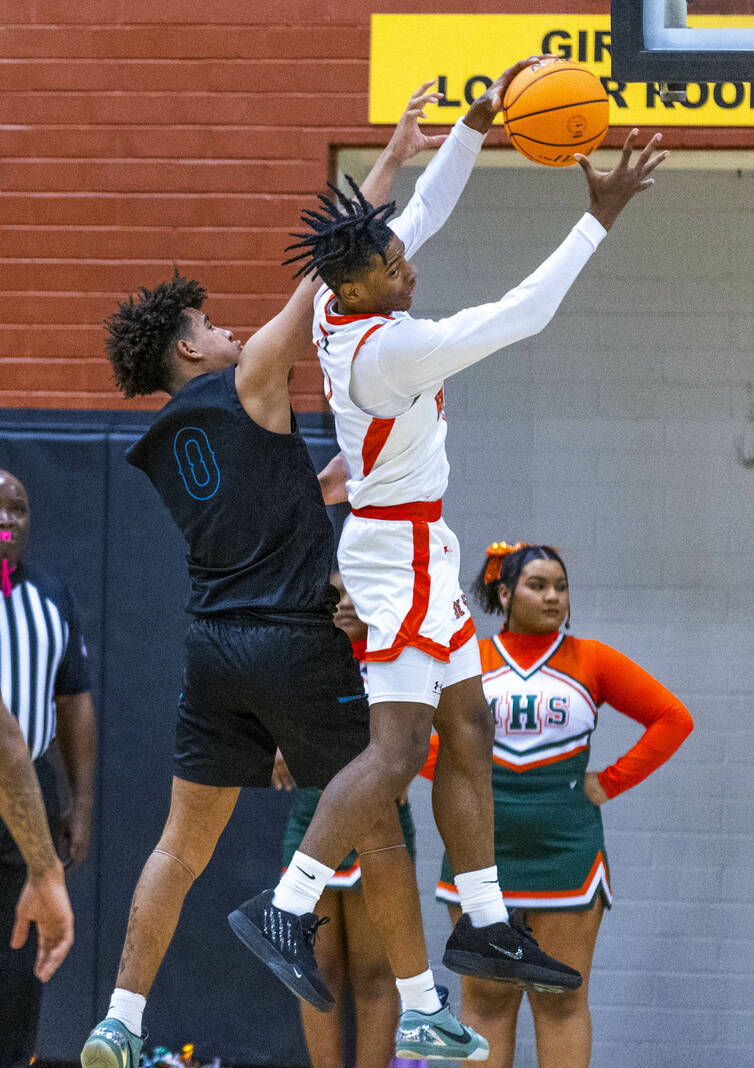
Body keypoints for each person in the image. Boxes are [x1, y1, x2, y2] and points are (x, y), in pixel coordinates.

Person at [80, 85, 496, 1068]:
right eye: (206, 326)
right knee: (382, 814)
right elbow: (328, 274)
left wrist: (344, 489)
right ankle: (421, 1010)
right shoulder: (253, 377)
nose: (224, 330)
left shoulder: (166, 444)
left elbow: (281, 499)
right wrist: (394, 164)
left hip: (210, 648)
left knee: (180, 848)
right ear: (187, 351)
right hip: (292, 640)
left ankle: (121, 1023)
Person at [234, 93, 669, 1012]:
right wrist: (597, 219)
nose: (410, 272)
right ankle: (286, 904)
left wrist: (472, 129)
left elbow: (418, 216)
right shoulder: (389, 350)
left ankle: (482, 920)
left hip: (425, 543)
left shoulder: (337, 299)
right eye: (394, 269)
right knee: (395, 755)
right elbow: (520, 316)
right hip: (397, 556)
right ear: (356, 290)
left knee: (470, 730)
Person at [429, 541, 693, 1068]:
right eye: (538, 585)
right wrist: (452, 777)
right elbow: (410, 732)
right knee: (486, 996)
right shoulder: (466, 659)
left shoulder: (591, 661)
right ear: (503, 594)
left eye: (561, 587)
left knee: (561, 995)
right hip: (479, 850)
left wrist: (611, 781)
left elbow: (671, 717)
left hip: (567, 851)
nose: (552, 597)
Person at [278, 573, 416, 1068]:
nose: (343, 604)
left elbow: (429, 730)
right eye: (333, 593)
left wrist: (408, 764)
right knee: (314, 969)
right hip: (310, 816)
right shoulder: (305, 656)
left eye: (355, 593)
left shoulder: (400, 658)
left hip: (380, 819)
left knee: (374, 971)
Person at [0, 468, 94, 1068]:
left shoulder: (49, 595)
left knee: (15, 969)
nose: (9, 516)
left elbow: (73, 703)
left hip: (22, 797)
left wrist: (79, 801)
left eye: (20, 506)